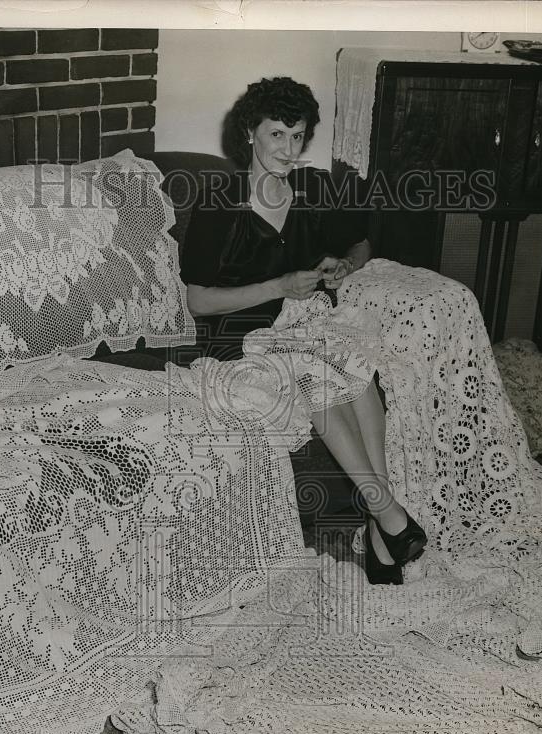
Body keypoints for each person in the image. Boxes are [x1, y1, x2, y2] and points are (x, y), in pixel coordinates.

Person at [180, 76, 426, 584]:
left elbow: (360, 243)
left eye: (298, 137)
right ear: (250, 133)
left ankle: (383, 529)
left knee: (355, 363)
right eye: (277, 135)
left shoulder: (311, 192)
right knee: (317, 373)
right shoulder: (219, 204)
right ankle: (386, 514)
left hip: (302, 321)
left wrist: (342, 267)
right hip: (241, 334)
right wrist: (281, 286)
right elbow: (198, 300)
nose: (289, 150)